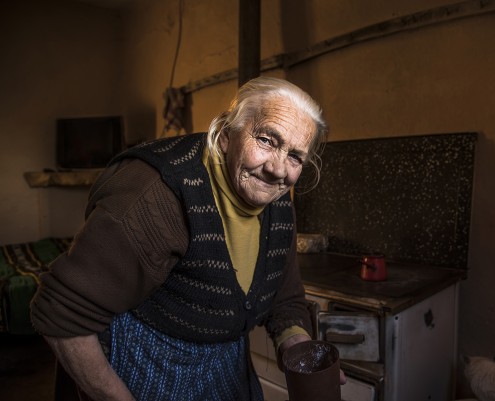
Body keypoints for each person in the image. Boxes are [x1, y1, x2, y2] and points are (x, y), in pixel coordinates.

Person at [30, 76, 339, 401]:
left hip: (225, 368)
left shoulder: (276, 200)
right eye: (266, 140)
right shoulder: (156, 194)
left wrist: (300, 351)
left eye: (295, 156)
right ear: (225, 135)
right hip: (144, 364)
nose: (278, 170)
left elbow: (284, 297)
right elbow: (60, 313)